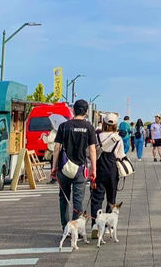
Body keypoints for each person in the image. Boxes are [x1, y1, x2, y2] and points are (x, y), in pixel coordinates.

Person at [51, 99, 97, 232]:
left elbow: (57, 148)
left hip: (64, 168)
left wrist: (54, 167)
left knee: (63, 198)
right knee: (78, 200)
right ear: (86, 112)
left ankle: (65, 226)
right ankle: (76, 228)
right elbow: (92, 150)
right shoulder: (89, 127)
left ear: (73, 110)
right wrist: (94, 169)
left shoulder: (63, 126)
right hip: (80, 169)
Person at [90, 112, 125, 239]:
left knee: (96, 198)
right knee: (111, 198)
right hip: (112, 169)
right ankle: (108, 226)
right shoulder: (118, 138)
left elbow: (91, 153)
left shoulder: (97, 136)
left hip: (99, 168)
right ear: (115, 125)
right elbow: (120, 155)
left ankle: (95, 225)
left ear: (104, 123)